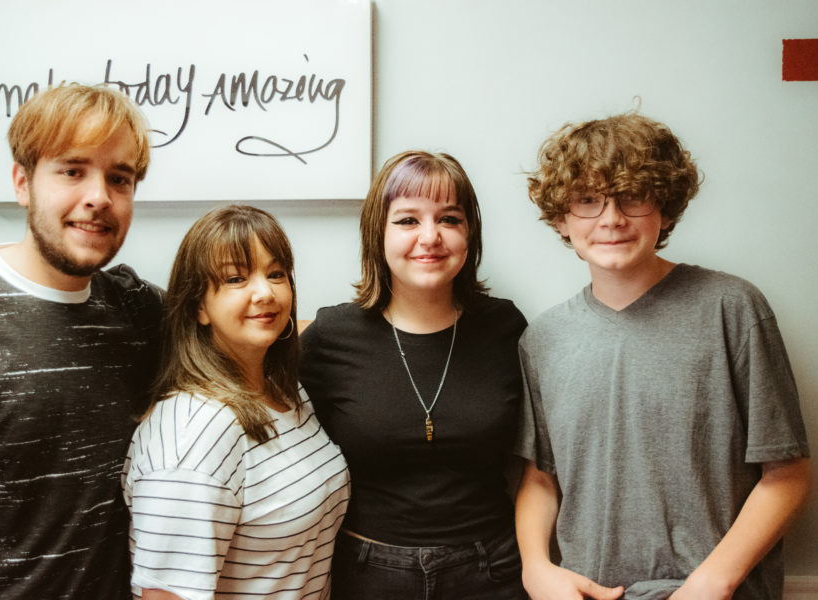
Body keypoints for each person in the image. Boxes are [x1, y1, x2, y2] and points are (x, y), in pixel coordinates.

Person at [514, 112, 812, 600]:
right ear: (561, 219)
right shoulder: (544, 338)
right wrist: (536, 569)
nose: (611, 218)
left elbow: (788, 473)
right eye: (588, 200)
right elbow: (540, 477)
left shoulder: (732, 308)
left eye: (632, 196)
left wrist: (712, 583)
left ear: (667, 208)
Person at [0, 84, 163, 597]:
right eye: (72, 170)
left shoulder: (136, 310)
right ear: (23, 183)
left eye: (119, 178)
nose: (99, 196)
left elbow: (238, 319)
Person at [300, 151, 528, 599]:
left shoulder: (505, 328)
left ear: (469, 233)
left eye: (449, 218)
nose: (430, 237)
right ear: (377, 234)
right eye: (407, 221)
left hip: (492, 571)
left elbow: (534, 466)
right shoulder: (331, 335)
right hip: (368, 573)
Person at [122, 205, 350, 600]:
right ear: (198, 306)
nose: (265, 292)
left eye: (276, 274)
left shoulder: (284, 391)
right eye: (235, 278)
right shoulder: (193, 435)